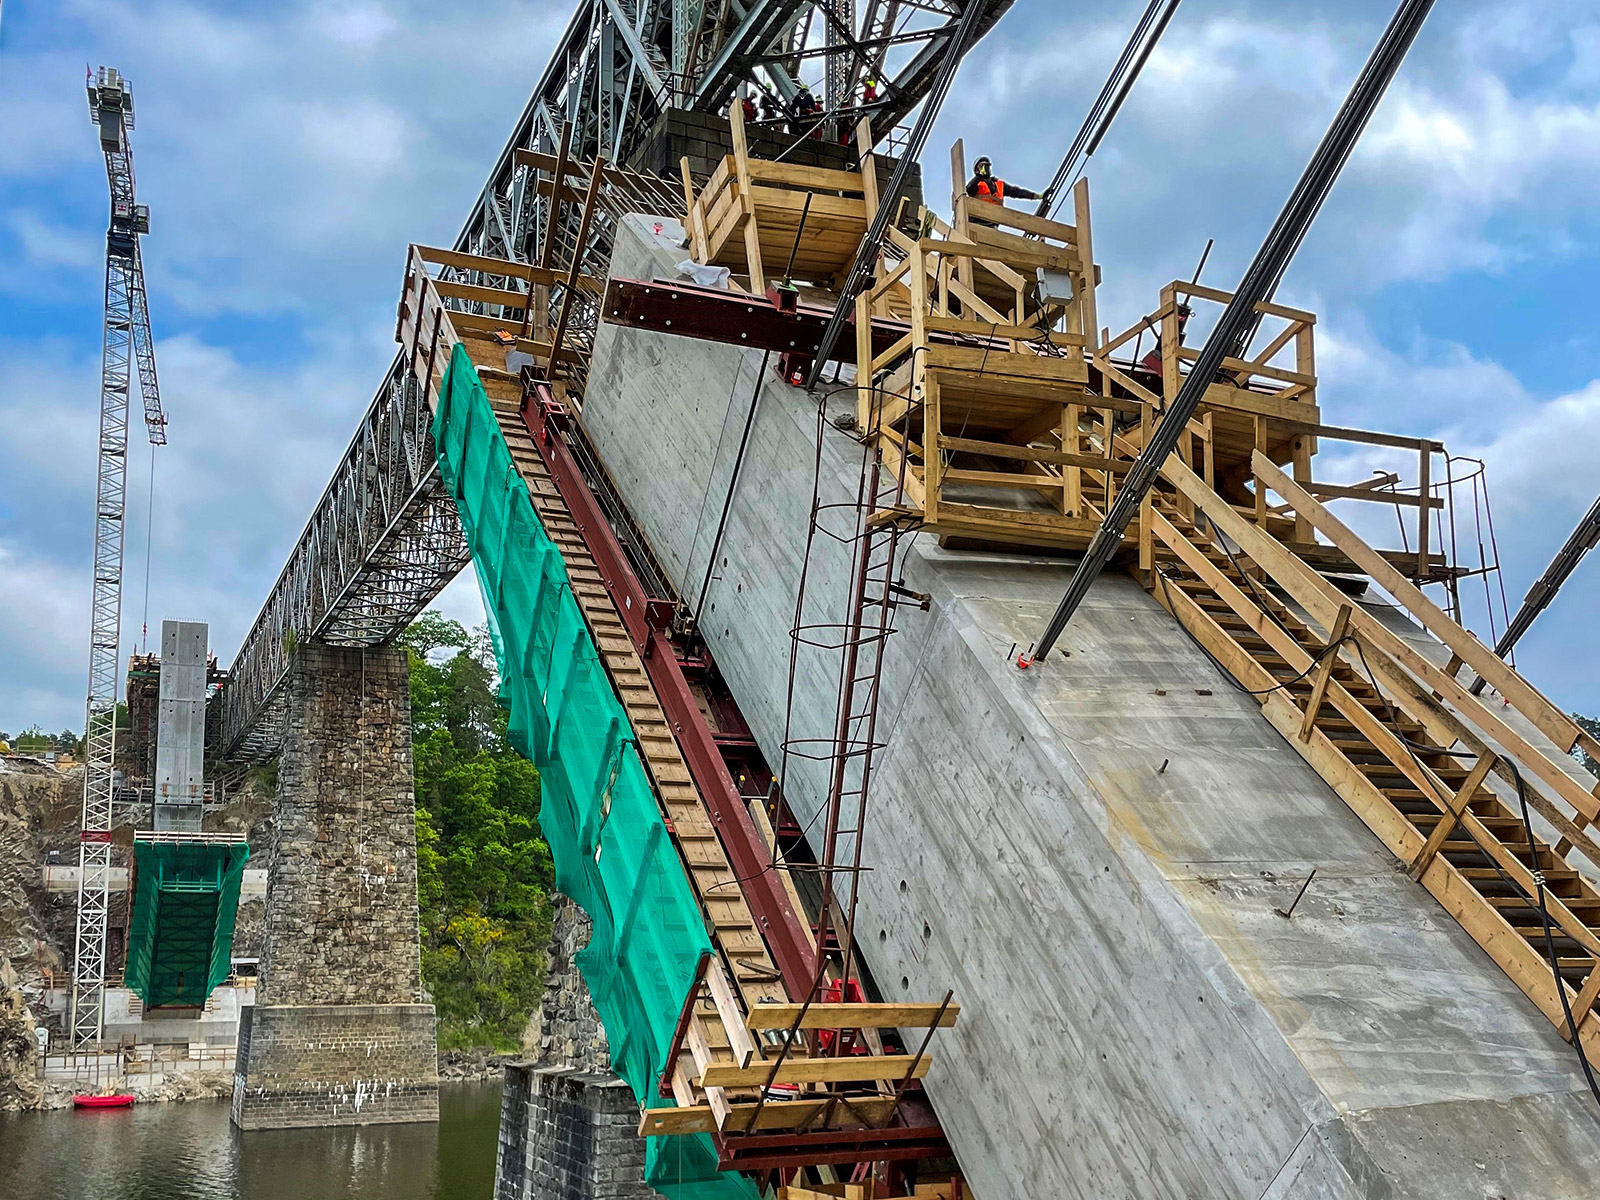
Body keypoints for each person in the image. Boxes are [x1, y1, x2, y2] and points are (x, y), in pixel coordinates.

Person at [966, 156, 1043, 205]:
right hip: (978, 217)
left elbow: (1016, 192)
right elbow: (969, 189)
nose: (985, 168)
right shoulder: (976, 184)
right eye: (982, 166)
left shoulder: (999, 185)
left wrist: (1037, 196)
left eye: (986, 166)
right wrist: (979, 176)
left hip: (994, 219)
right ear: (977, 170)